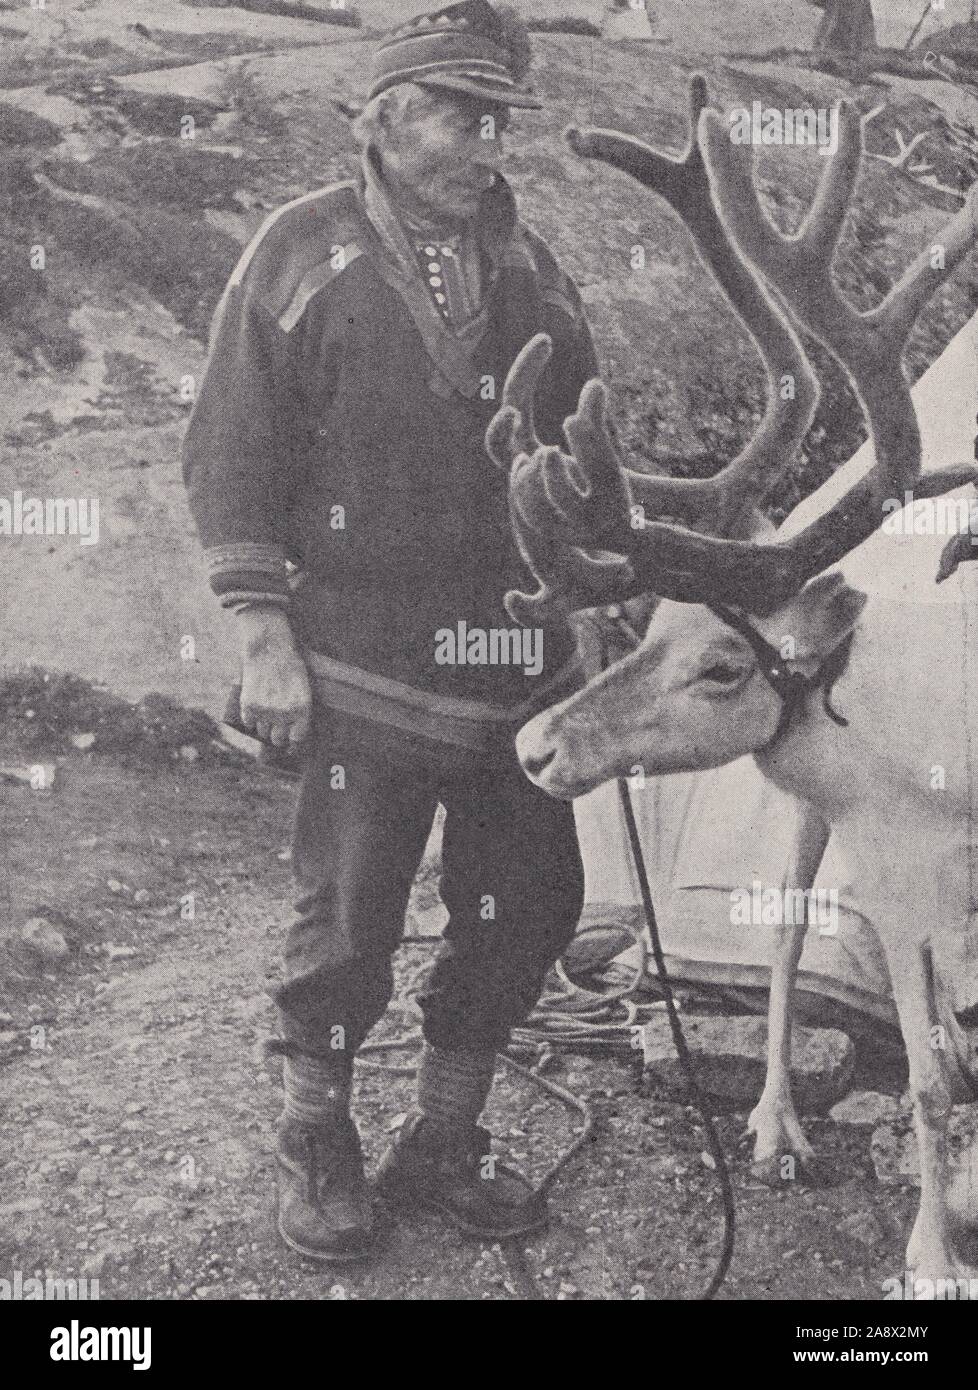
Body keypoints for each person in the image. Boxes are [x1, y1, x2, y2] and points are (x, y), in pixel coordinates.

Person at [183, 0, 598, 1261]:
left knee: (526, 902)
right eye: (465, 113)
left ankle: (442, 1139)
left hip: (517, 663)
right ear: (388, 116)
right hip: (359, 658)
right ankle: (319, 1139)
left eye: (499, 118)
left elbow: (584, 446)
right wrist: (262, 637)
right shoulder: (299, 249)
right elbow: (231, 451)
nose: (487, 141)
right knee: (351, 916)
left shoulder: (532, 265)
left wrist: (594, 605)